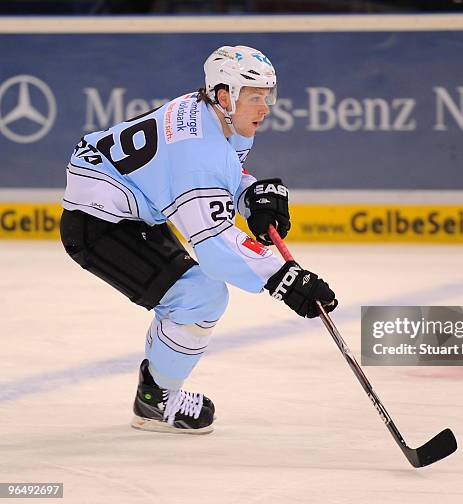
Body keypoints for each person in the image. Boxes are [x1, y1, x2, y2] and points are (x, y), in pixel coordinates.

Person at [59, 45, 338, 434]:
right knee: (198, 296)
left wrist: (250, 196)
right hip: (99, 225)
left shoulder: (213, 115)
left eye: (268, 96)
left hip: (132, 210)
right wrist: (284, 278)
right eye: (255, 97)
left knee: (198, 294)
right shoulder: (197, 149)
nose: (265, 108)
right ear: (225, 95)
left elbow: (224, 176)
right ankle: (156, 399)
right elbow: (214, 245)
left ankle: (156, 390)